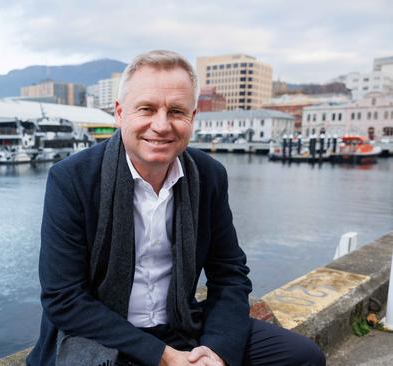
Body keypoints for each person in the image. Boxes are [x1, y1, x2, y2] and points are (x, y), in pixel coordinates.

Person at [27, 50, 325, 366]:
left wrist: (216, 351)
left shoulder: (208, 175)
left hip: (181, 326)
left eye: (176, 111)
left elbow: (230, 275)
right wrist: (164, 357)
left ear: (192, 118)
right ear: (119, 113)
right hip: (104, 336)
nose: (161, 125)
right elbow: (64, 299)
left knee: (304, 358)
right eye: (146, 109)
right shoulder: (72, 179)